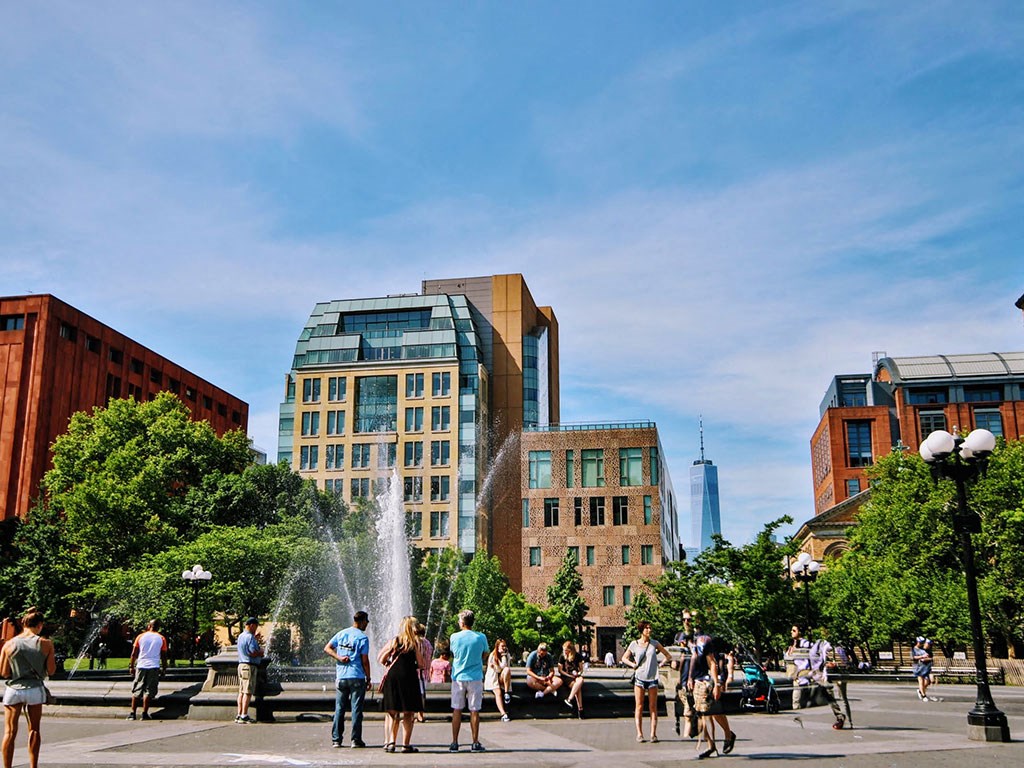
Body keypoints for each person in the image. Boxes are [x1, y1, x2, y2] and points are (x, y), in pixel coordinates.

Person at [1, 608, 56, 768]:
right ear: (39, 625)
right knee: (34, 730)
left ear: (24, 623)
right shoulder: (45, 644)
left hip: (14, 690)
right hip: (35, 689)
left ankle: (7, 766)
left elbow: (4, 672)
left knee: (9, 732)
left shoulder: (9, 644)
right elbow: (51, 671)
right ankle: (33, 765)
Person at [378, 616, 430, 753]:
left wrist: (388, 663)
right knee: (408, 712)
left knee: (392, 712)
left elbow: (380, 657)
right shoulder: (414, 643)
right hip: (409, 677)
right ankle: (405, 745)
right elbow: (421, 664)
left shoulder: (395, 640)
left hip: (393, 677)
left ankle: (390, 742)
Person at [324, 611, 370, 748]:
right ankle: (355, 740)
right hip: (357, 676)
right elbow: (365, 661)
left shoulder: (341, 634)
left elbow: (327, 648)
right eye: (366, 621)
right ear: (361, 621)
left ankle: (336, 739)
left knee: (339, 708)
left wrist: (339, 657)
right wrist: (368, 677)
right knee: (356, 709)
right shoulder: (362, 638)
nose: (367, 624)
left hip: (342, 677)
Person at [623, 620, 672, 743]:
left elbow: (668, 655)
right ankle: (639, 733)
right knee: (639, 706)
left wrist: (661, 664)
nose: (649, 630)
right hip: (639, 678)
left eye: (650, 628)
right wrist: (632, 664)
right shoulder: (634, 644)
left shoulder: (654, 644)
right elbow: (624, 658)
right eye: (647, 628)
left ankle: (653, 734)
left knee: (653, 707)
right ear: (642, 630)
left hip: (652, 678)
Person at [689, 633, 736, 758]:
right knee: (706, 714)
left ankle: (726, 736)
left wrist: (716, 684)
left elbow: (712, 664)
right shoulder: (690, 643)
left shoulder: (703, 642)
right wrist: (688, 679)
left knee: (712, 713)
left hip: (705, 682)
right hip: (697, 682)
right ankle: (712, 744)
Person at [448, 609, 489, 753]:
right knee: (474, 710)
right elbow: (485, 653)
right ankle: (475, 742)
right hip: (475, 677)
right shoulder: (481, 637)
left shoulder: (454, 637)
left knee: (457, 709)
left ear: (462, 622)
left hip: (458, 676)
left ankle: (454, 742)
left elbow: (454, 653)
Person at [127, 619, 167, 721]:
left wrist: (131, 666)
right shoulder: (161, 638)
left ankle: (132, 713)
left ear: (149, 626)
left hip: (141, 665)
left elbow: (134, 653)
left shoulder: (140, 636)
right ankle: (144, 714)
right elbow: (163, 656)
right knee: (148, 691)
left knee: (137, 690)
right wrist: (164, 669)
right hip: (154, 666)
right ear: (158, 627)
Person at [235, 617, 264, 724]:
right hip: (249, 666)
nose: (256, 629)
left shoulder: (241, 636)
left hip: (241, 665)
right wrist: (261, 652)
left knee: (241, 692)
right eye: (256, 627)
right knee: (248, 692)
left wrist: (255, 639)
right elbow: (252, 652)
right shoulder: (250, 637)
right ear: (251, 625)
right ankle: (244, 715)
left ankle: (239, 714)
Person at [485, 638, 513, 721]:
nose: (504, 648)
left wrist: (504, 656)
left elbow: (505, 667)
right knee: (498, 692)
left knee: (507, 670)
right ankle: (503, 714)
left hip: (501, 677)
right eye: (502, 646)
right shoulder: (492, 655)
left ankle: (507, 693)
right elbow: (497, 670)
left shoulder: (506, 655)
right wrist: (498, 665)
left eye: (505, 646)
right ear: (497, 647)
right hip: (493, 679)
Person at [559, 641, 586, 718]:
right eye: (564, 650)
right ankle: (580, 709)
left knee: (580, 680)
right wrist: (569, 675)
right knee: (577, 687)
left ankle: (569, 699)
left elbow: (581, 669)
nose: (565, 652)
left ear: (571, 650)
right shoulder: (562, 657)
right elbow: (560, 670)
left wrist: (579, 673)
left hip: (575, 675)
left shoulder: (577, 656)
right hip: (566, 676)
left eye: (566, 650)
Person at [414, 623, 432, 723]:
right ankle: (420, 714)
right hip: (424, 672)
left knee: (414, 694)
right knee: (421, 694)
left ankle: (414, 715)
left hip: (416, 672)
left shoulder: (416, 642)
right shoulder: (428, 643)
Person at [912, 636, 933, 701]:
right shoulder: (915, 649)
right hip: (919, 668)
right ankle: (924, 696)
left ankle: (920, 691)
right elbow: (913, 657)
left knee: (928, 682)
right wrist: (922, 657)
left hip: (926, 668)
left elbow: (931, 658)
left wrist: (926, 659)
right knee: (921, 681)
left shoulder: (926, 650)